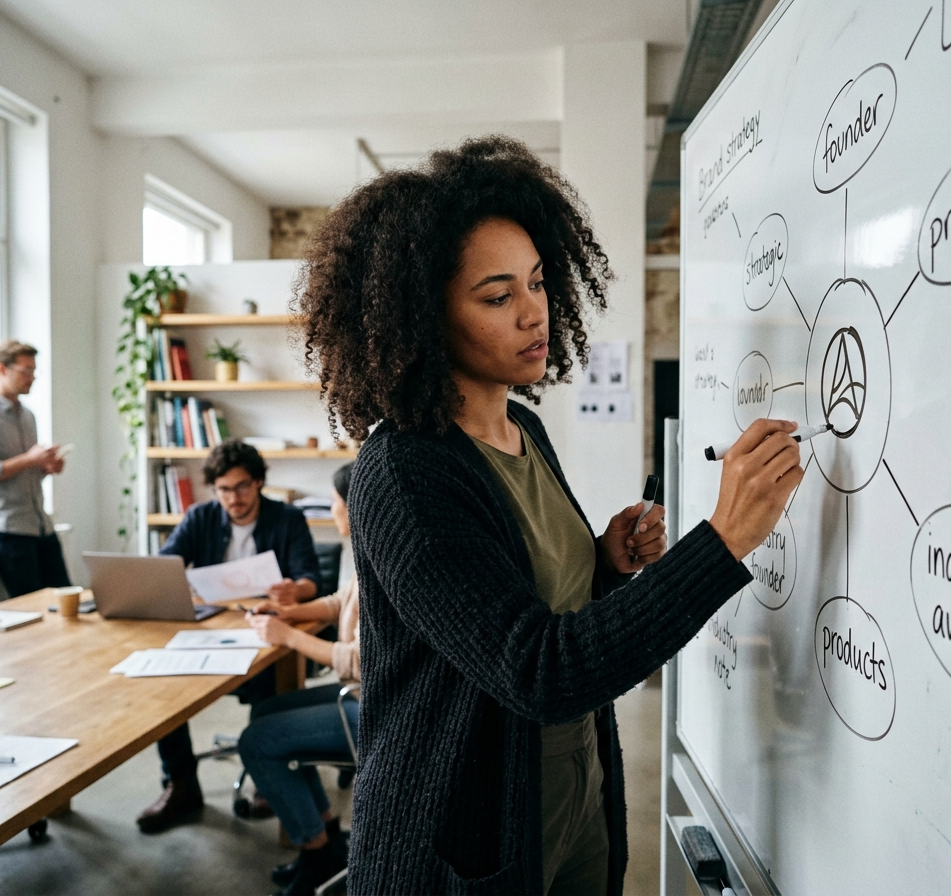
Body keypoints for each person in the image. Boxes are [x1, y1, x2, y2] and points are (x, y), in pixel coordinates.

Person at [296, 137, 803, 895]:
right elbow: (537, 669)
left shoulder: (522, 429)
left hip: (572, 800)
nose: (535, 312)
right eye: (498, 297)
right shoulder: (403, 471)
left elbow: (523, 598)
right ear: (423, 318)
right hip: (458, 844)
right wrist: (724, 541)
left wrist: (601, 562)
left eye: (536, 283)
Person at [135, 439, 322, 834]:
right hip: (210, 628)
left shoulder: (286, 519)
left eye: (240, 487)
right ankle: (181, 784)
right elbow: (166, 565)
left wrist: (295, 589)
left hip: (265, 631)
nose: (232, 498)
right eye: (223, 490)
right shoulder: (200, 517)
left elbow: (311, 579)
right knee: (164, 682)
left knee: (271, 682)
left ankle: (268, 777)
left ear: (258, 483)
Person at [239, 461, 358, 896]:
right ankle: (325, 840)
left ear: (354, 506)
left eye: (335, 501)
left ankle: (314, 851)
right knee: (268, 712)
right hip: (361, 697)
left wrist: (286, 636)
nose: (331, 508)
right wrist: (288, 613)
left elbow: (360, 661)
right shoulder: (369, 552)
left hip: (372, 708)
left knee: (257, 741)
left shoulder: (384, 564)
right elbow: (334, 603)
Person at [0, 340, 71, 599]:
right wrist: (29, 460)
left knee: (66, 602)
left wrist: (45, 465)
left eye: (34, 371)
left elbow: (23, 470)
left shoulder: (27, 416)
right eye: (25, 371)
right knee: (32, 610)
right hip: (5, 529)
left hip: (39, 525)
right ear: (2, 369)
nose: (31, 377)